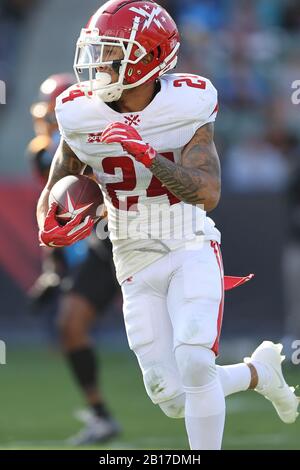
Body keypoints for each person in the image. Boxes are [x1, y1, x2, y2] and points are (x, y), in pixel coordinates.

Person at [36, 0, 299, 450]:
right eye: (96, 51)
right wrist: (50, 221)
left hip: (187, 242)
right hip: (130, 252)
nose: (98, 64)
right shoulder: (80, 112)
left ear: (148, 57)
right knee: (171, 396)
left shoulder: (187, 102)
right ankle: (259, 373)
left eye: (111, 52)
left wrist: (148, 157)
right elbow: (57, 184)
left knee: (196, 360)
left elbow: (208, 193)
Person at [28, 73, 121, 445]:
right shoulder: (43, 154)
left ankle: (238, 378)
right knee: (70, 324)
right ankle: (101, 416)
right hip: (105, 244)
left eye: (54, 115)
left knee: (174, 339)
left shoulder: (106, 130)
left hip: (145, 235)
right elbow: (54, 214)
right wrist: (53, 269)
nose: (49, 123)